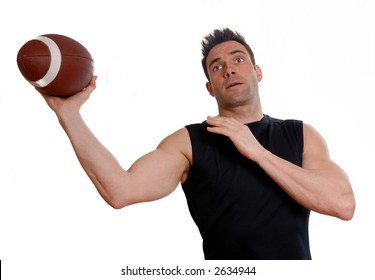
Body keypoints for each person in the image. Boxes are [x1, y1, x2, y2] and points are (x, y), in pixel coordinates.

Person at [41, 28, 355, 260]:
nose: (229, 69)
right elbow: (121, 190)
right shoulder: (189, 143)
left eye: (238, 60)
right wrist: (69, 115)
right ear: (210, 87)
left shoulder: (300, 134)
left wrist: (257, 151)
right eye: (217, 67)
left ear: (257, 72)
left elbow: (342, 204)